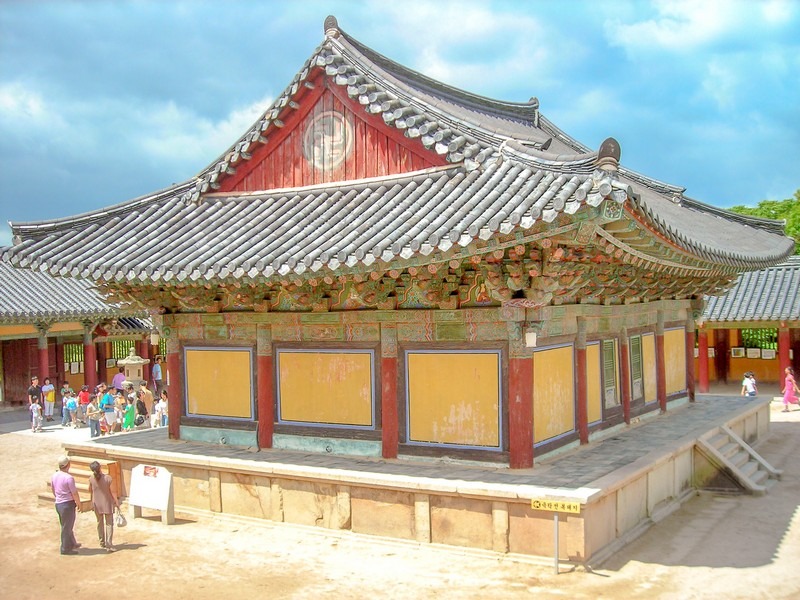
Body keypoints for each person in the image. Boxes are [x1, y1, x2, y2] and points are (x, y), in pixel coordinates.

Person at [51, 456, 82, 555]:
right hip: (67, 504)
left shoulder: (55, 475)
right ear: (68, 465)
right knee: (67, 527)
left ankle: (72, 543)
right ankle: (65, 548)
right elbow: (74, 493)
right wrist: (79, 504)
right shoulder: (69, 478)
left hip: (59, 503)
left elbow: (53, 489)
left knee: (66, 525)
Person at [88, 460, 120, 552]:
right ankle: (109, 544)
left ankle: (102, 542)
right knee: (109, 524)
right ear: (100, 468)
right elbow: (113, 492)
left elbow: (89, 490)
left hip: (96, 503)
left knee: (99, 523)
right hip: (107, 503)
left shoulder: (91, 479)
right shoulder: (108, 478)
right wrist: (116, 502)